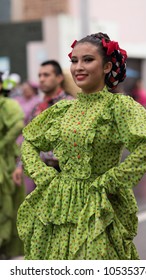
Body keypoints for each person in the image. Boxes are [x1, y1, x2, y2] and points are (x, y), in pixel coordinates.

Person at [17, 32, 146, 260]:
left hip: (99, 204)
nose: (78, 67)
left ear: (107, 66)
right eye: (74, 60)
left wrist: (112, 180)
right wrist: (44, 176)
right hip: (59, 202)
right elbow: (29, 142)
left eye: (88, 60)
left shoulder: (118, 106)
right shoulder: (63, 110)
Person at [13, 60, 75, 191]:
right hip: (41, 174)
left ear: (59, 78)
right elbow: (28, 138)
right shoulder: (37, 108)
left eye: (46, 75)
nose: (41, 79)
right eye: (39, 75)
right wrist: (19, 166)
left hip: (66, 174)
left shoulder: (71, 105)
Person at [0, 72, 25, 259]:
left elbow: (18, 125)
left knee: (8, 206)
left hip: (6, 163)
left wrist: (2, 144)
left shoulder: (9, 105)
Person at [12, 81, 41, 194]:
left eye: (27, 88)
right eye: (23, 89)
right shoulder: (18, 100)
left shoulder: (37, 101)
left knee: (26, 165)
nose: (25, 91)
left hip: (28, 135)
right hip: (16, 136)